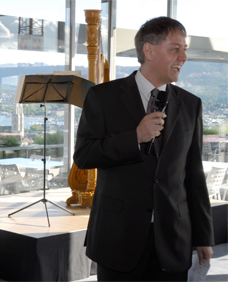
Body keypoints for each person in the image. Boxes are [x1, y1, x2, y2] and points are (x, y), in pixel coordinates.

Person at [74, 17, 214, 281]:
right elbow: (83, 156)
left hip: (173, 240)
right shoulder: (102, 97)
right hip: (117, 239)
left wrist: (203, 236)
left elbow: (194, 175)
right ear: (149, 51)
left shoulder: (191, 104)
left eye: (184, 49)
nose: (183, 57)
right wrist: (134, 137)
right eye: (175, 48)